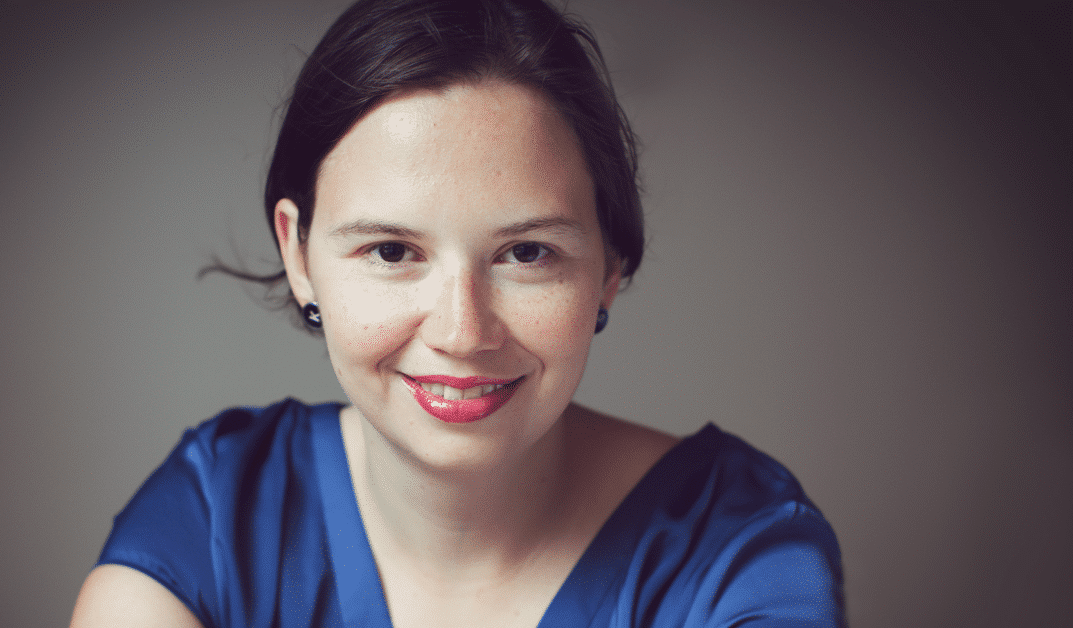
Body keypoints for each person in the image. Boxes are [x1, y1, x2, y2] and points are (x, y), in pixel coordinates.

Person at [70, 0, 845, 626]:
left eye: (527, 253)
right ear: (299, 256)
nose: (461, 332)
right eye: (391, 251)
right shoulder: (213, 521)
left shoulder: (738, 551)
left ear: (610, 265)